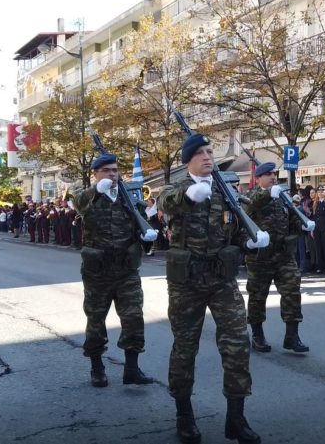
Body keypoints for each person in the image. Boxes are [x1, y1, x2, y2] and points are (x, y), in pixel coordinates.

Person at [158, 130, 267, 444]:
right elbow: (166, 201)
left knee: (236, 345)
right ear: (188, 161)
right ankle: (184, 414)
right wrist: (187, 196)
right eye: (200, 154)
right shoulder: (177, 189)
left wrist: (251, 241)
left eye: (209, 152)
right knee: (185, 348)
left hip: (222, 281)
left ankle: (236, 417)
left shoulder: (226, 193)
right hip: (187, 284)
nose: (208, 157)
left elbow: (235, 233)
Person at [69, 153, 158, 389]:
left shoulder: (129, 197)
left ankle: (131, 369)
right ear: (96, 174)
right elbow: (77, 205)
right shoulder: (88, 197)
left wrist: (148, 236)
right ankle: (97, 368)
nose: (112, 174)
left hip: (127, 270)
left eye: (115, 170)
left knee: (133, 319)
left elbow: (141, 224)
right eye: (107, 170)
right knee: (96, 320)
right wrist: (97, 190)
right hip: (98, 272)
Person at [245, 161, 314, 354]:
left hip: (284, 256)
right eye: (268, 174)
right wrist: (268, 194)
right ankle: (257, 335)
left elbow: (292, 218)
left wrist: (303, 224)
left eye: (274, 173)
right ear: (258, 179)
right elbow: (250, 207)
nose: (273, 177)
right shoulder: (250, 197)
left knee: (292, 291)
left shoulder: (282, 198)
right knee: (258, 296)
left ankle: (292, 336)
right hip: (261, 258)